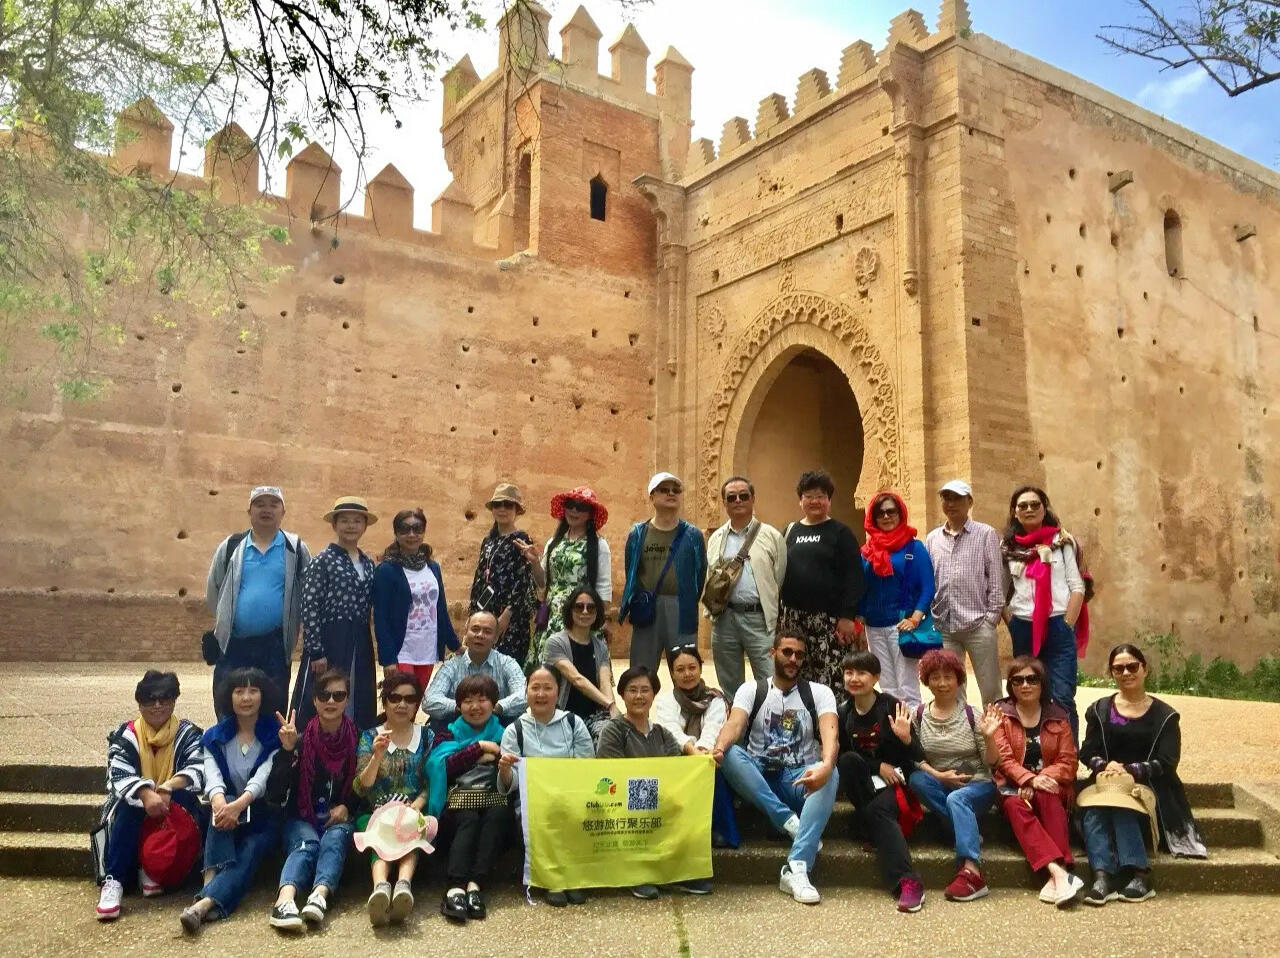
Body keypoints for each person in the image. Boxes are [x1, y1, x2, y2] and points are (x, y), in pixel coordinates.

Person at [712, 633, 840, 906]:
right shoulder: (753, 689)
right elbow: (735, 724)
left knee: (831, 771)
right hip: (760, 779)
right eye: (787, 652)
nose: (793, 659)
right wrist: (720, 747)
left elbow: (830, 731)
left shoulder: (819, 692)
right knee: (732, 754)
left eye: (799, 655)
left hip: (799, 777)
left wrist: (827, 764)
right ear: (773, 653)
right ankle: (789, 822)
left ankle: (797, 867)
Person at [1078, 643, 1207, 906]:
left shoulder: (1166, 716)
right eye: (1118, 668)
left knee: (1123, 805)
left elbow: (1167, 762)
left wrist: (1131, 770)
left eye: (1132, 666)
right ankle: (1102, 876)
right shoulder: (1100, 710)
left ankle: (1140, 873)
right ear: (1111, 673)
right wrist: (1105, 766)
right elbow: (1086, 752)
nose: (1126, 672)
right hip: (1106, 783)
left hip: (1151, 786)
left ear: (1144, 669)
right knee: (1094, 810)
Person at [95, 670, 205, 921]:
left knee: (186, 798)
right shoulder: (126, 734)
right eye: (149, 699)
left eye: (165, 698)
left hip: (173, 804)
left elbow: (198, 767)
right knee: (127, 803)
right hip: (137, 808)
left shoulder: (187, 733)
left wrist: (166, 788)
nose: (157, 705)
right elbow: (118, 772)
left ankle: (156, 871)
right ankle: (114, 881)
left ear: (174, 700)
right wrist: (146, 793)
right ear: (139, 703)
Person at [180, 668, 282, 934]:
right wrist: (220, 804)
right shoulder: (216, 735)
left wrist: (237, 806)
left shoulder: (275, 735)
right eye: (239, 691)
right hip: (226, 809)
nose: (246, 698)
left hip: (262, 816)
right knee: (220, 804)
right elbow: (211, 775)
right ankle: (209, 882)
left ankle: (203, 903)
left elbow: (262, 778)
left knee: (249, 850)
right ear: (229, 697)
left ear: (263, 696)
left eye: (253, 691)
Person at [597, 665, 710, 899]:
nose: (639, 696)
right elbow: (613, 777)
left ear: (654, 694)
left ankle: (681, 872)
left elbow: (675, 773)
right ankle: (638, 873)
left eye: (645, 690)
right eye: (632, 690)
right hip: (625, 808)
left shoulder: (662, 733)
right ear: (622, 694)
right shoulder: (613, 731)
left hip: (661, 802)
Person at [265, 669, 359, 932]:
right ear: (315, 701)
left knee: (335, 838)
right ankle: (284, 902)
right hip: (301, 816)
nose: (331, 701)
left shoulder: (357, 738)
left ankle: (319, 895)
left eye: (338, 695)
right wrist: (286, 752)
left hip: (338, 815)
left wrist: (347, 805)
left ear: (347, 700)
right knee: (307, 845)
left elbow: (363, 783)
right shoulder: (300, 741)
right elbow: (275, 792)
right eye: (324, 695)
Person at [834, 651, 925, 913]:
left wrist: (906, 738)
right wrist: (877, 765)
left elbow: (917, 756)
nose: (854, 679)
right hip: (866, 783)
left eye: (862, 673)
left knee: (878, 810)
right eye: (849, 672)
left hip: (897, 783)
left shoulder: (891, 706)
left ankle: (909, 882)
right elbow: (842, 756)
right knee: (849, 760)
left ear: (875, 677)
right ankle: (872, 828)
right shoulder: (843, 712)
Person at [497, 663, 596, 907]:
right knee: (543, 815)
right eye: (535, 688)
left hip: (571, 795)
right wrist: (505, 770)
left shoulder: (574, 723)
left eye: (547, 688)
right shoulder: (515, 730)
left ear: (558, 691)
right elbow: (509, 786)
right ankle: (553, 880)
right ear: (526, 691)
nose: (541, 694)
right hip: (533, 802)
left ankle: (573, 877)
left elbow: (587, 768)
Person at [205, 485, 311, 711]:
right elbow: (214, 587)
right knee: (227, 705)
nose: (267, 510)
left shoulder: (296, 549)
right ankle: (229, 747)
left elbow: (307, 593)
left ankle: (272, 748)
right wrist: (225, 621)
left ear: (283, 512)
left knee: (273, 708)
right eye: (260, 504)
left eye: (274, 505)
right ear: (249, 511)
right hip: (234, 643)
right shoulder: (231, 546)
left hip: (275, 644)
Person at [908, 649, 1000, 903]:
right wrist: (939, 775)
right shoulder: (918, 715)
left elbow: (992, 763)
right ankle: (964, 830)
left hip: (977, 785)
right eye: (935, 677)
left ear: (958, 679)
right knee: (917, 780)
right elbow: (916, 759)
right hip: (940, 784)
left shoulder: (973, 715)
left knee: (957, 799)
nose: (942, 683)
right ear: (927, 680)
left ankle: (972, 871)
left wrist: (990, 737)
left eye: (948, 676)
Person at [991, 656, 1084, 907]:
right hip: (1013, 786)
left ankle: (1056, 873)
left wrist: (1042, 778)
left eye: (1032, 679)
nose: (1025, 685)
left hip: (1051, 786)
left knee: (1047, 793)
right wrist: (1030, 779)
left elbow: (1068, 761)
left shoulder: (1058, 716)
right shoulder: (1001, 714)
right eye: (1018, 680)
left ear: (1042, 683)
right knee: (1013, 805)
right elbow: (1004, 760)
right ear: (1010, 685)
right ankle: (1060, 871)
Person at [1002, 485, 1087, 739]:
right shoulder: (1007, 548)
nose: (1029, 509)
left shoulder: (1062, 542)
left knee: (1061, 696)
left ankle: (1067, 763)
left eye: (1035, 504)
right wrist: (1012, 621)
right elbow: (1001, 588)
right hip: (1024, 628)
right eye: (1023, 506)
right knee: (1027, 695)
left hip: (1058, 626)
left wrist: (1068, 623)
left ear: (1044, 508)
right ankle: (1035, 758)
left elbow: (1077, 585)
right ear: (1015, 513)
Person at [427, 675, 512, 923]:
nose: (475, 706)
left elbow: (507, 763)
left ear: (493, 703)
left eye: (482, 699)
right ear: (458, 706)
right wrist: (480, 748)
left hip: (494, 796)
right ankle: (455, 887)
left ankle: (475, 885)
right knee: (468, 818)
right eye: (467, 701)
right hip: (458, 802)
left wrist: (487, 756)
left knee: (498, 814)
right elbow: (441, 767)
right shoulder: (447, 733)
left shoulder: (505, 733)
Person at [352, 673, 433, 926]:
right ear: (384, 702)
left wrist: (416, 806)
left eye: (410, 699)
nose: (402, 704)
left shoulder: (427, 736)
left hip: (412, 808)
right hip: (376, 810)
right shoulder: (369, 736)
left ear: (417, 704)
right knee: (378, 832)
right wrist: (377, 755)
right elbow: (361, 786)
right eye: (395, 698)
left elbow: (432, 782)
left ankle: (403, 886)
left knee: (413, 827)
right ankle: (380, 889)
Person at [294, 497, 377, 731]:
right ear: (335, 525)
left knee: (356, 694)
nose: (351, 526)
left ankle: (353, 749)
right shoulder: (323, 561)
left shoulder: (368, 564)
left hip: (359, 639)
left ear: (364, 526)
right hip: (330, 639)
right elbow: (309, 605)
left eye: (357, 521)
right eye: (345, 521)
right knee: (323, 694)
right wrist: (316, 650)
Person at [778, 470, 864, 690]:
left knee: (831, 679)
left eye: (820, 496)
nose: (814, 501)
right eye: (809, 496)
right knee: (795, 674)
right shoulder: (790, 532)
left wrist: (847, 616)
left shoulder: (840, 533)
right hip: (794, 621)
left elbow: (854, 576)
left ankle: (831, 723)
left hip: (830, 623)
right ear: (800, 500)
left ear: (829, 500)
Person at [704, 476, 786, 699]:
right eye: (731, 497)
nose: (737, 500)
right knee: (730, 683)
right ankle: (738, 731)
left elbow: (778, 578)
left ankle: (767, 728)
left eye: (743, 495)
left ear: (753, 499)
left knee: (769, 679)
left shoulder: (771, 536)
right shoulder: (716, 538)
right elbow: (711, 575)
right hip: (724, 619)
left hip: (758, 619)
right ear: (724, 503)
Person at [925, 480, 1005, 707]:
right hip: (945, 625)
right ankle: (960, 734)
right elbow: (930, 578)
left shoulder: (985, 534)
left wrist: (991, 618)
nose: (950, 504)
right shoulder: (933, 538)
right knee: (950, 688)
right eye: (946, 498)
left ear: (969, 501)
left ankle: (996, 735)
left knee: (990, 687)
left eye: (957, 498)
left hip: (978, 623)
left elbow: (996, 580)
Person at [619, 472, 708, 673]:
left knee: (685, 669)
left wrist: (687, 598)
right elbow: (631, 570)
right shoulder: (638, 534)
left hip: (681, 607)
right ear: (652, 496)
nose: (671, 493)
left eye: (676, 490)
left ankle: (685, 706)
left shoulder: (693, 535)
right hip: (647, 607)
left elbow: (700, 572)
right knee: (642, 670)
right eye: (664, 490)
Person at [656, 645, 740, 849]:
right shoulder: (665, 701)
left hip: (707, 757)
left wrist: (701, 752)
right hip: (677, 756)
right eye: (680, 669)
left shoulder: (716, 699)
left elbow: (713, 729)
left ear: (700, 668)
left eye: (692, 667)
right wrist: (691, 751)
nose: (687, 674)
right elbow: (671, 731)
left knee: (715, 768)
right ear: (673, 674)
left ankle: (722, 831)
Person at [857, 491, 934, 708]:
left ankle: (911, 736)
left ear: (901, 514)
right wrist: (859, 624)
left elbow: (928, 587)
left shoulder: (914, 547)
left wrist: (915, 619)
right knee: (887, 687)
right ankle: (894, 735)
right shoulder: (867, 552)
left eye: (891, 511)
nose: (886, 516)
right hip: (874, 626)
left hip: (902, 626)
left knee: (908, 687)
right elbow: (862, 589)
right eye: (880, 513)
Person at [372, 508, 461, 691]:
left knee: (415, 701)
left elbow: (440, 609)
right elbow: (381, 617)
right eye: (404, 529)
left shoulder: (433, 568)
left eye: (417, 529)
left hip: (427, 648)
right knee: (401, 699)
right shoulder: (386, 570)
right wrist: (388, 658)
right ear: (396, 534)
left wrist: (455, 645)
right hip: (401, 650)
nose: (411, 534)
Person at [531, 485, 612, 663]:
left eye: (581, 507)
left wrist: (602, 618)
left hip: (582, 614)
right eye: (570, 504)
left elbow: (604, 587)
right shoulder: (553, 542)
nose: (574, 510)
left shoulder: (599, 545)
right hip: (552, 615)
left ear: (590, 514)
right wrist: (535, 563)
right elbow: (543, 582)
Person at [469, 483, 545, 666]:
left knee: (507, 669)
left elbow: (524, 581)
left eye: (508, 505)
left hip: (511, 620)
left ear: (517, 510)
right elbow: (479, 578)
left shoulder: (521, 540)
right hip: (486, 614)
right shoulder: (488, 541)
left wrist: (507, 615)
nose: (502, 509)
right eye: (498, 504)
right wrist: (473, 615)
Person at [424, 611, 527, 727]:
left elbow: (524, 696)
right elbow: (429, 701)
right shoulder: (451, 666)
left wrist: (496, 707)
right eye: (475, 629)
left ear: (496, 638)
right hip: (459, 728)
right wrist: (462, 707)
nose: (480, 635)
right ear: (466, 632)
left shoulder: (507, 663)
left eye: (487, 631)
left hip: (498, 727)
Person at [543, 587, 616, 741]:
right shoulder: (555, 642)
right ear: (570, 610)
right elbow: (576, 679)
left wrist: (613, 711)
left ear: (597, 613)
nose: (585, 612)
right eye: (579, 606)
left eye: (591, 607)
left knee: (610, 736)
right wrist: (609, 704)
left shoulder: (600, 645)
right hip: (561, 715)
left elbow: (605, 682)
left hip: (593, 716)